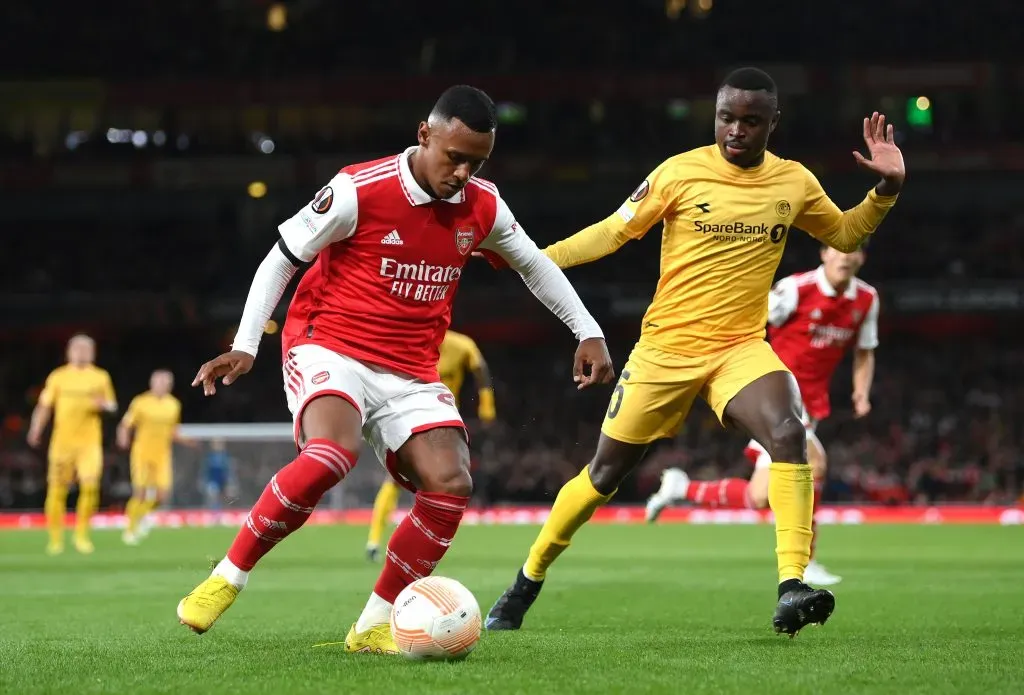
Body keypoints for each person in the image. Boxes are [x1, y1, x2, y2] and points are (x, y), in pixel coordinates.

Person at [175, 85, 614, 653]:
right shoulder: (360, 189)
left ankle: (374, 624)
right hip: (329, 344)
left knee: (451, 483)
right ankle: (226, 578)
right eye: (453, 157)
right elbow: (281, 257)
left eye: (476, 162)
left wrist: (588, 331)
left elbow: (533, 264)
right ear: (424, 134)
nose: (462, 173)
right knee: (331, 455)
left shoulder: (482, 205)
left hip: (411, 369)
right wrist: (246, 344)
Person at [485, 67, 904, 637]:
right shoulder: (680, 173)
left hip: (740, 349)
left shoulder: (793, 183)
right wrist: (534, 258)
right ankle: (524, 583)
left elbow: (847, 234)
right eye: (727, 117)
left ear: (772, 124)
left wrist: (885, 190)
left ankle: (790, 586)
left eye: (751, 121)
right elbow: (613, 232)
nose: (736, 130)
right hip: (665, 350)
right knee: (604, 476)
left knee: (789, 432)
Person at [646, 244, 879, 586]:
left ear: (862, 258)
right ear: (823, 254)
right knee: (814, 464)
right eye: (838, 250)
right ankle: (804, 562)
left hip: (810, 403)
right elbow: (745, 318)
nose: (845, 257)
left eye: (853, 251)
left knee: (759, 497)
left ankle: (683, 487)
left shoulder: (866, 300)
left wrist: (861, 390)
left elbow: (864, 352)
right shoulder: (795, 290)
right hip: (775, 396)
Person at [365, 328, 496, 561]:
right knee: (400, 480)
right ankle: (376, 541)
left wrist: (486, 405)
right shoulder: (408, 340)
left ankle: (403, 544)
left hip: (443, 419)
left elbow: (481, 369)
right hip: (408, 415)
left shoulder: (461, 345)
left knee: (439, 481)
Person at [27, 334, 118, 555]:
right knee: (57, 490)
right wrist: (36, 428)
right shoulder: (58, 377)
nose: (82, 352)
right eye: (77, 348)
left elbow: (113, 406)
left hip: (89, 444)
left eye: (86, 348)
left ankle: (81, 536)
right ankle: (55, 539)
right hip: (62, 443)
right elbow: (44, 406)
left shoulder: (100, 377)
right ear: (69, 351)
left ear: (93, 352)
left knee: (90, 487)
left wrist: (103, 405)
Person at [117, 369, 183, 545]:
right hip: (142, 454)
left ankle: (143, 516)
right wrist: (123, 436)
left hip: (162, 455)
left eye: (166, 383)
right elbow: (126, 424)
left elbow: (173, 430)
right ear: (152, 383)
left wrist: (189, 441)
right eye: (160, 382)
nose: (163, 385)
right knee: (140, 493)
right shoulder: (141, 402)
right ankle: (130, 530)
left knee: (162, 495)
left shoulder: (174, 405)